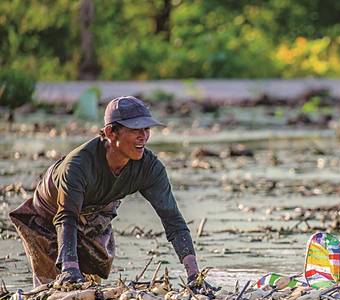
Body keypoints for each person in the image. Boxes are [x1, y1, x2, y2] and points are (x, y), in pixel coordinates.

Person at [10, 96, 201, 287]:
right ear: (111, 132)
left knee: (91, 287)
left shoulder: (150, 168)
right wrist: (69, 269)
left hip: (94, 214)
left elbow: (173, 221)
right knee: (56, 287)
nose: (143, 136)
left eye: (146, 129)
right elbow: (66, 218)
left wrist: (193, 274)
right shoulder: (78, 166)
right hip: (49, 217)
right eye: (135, 129)